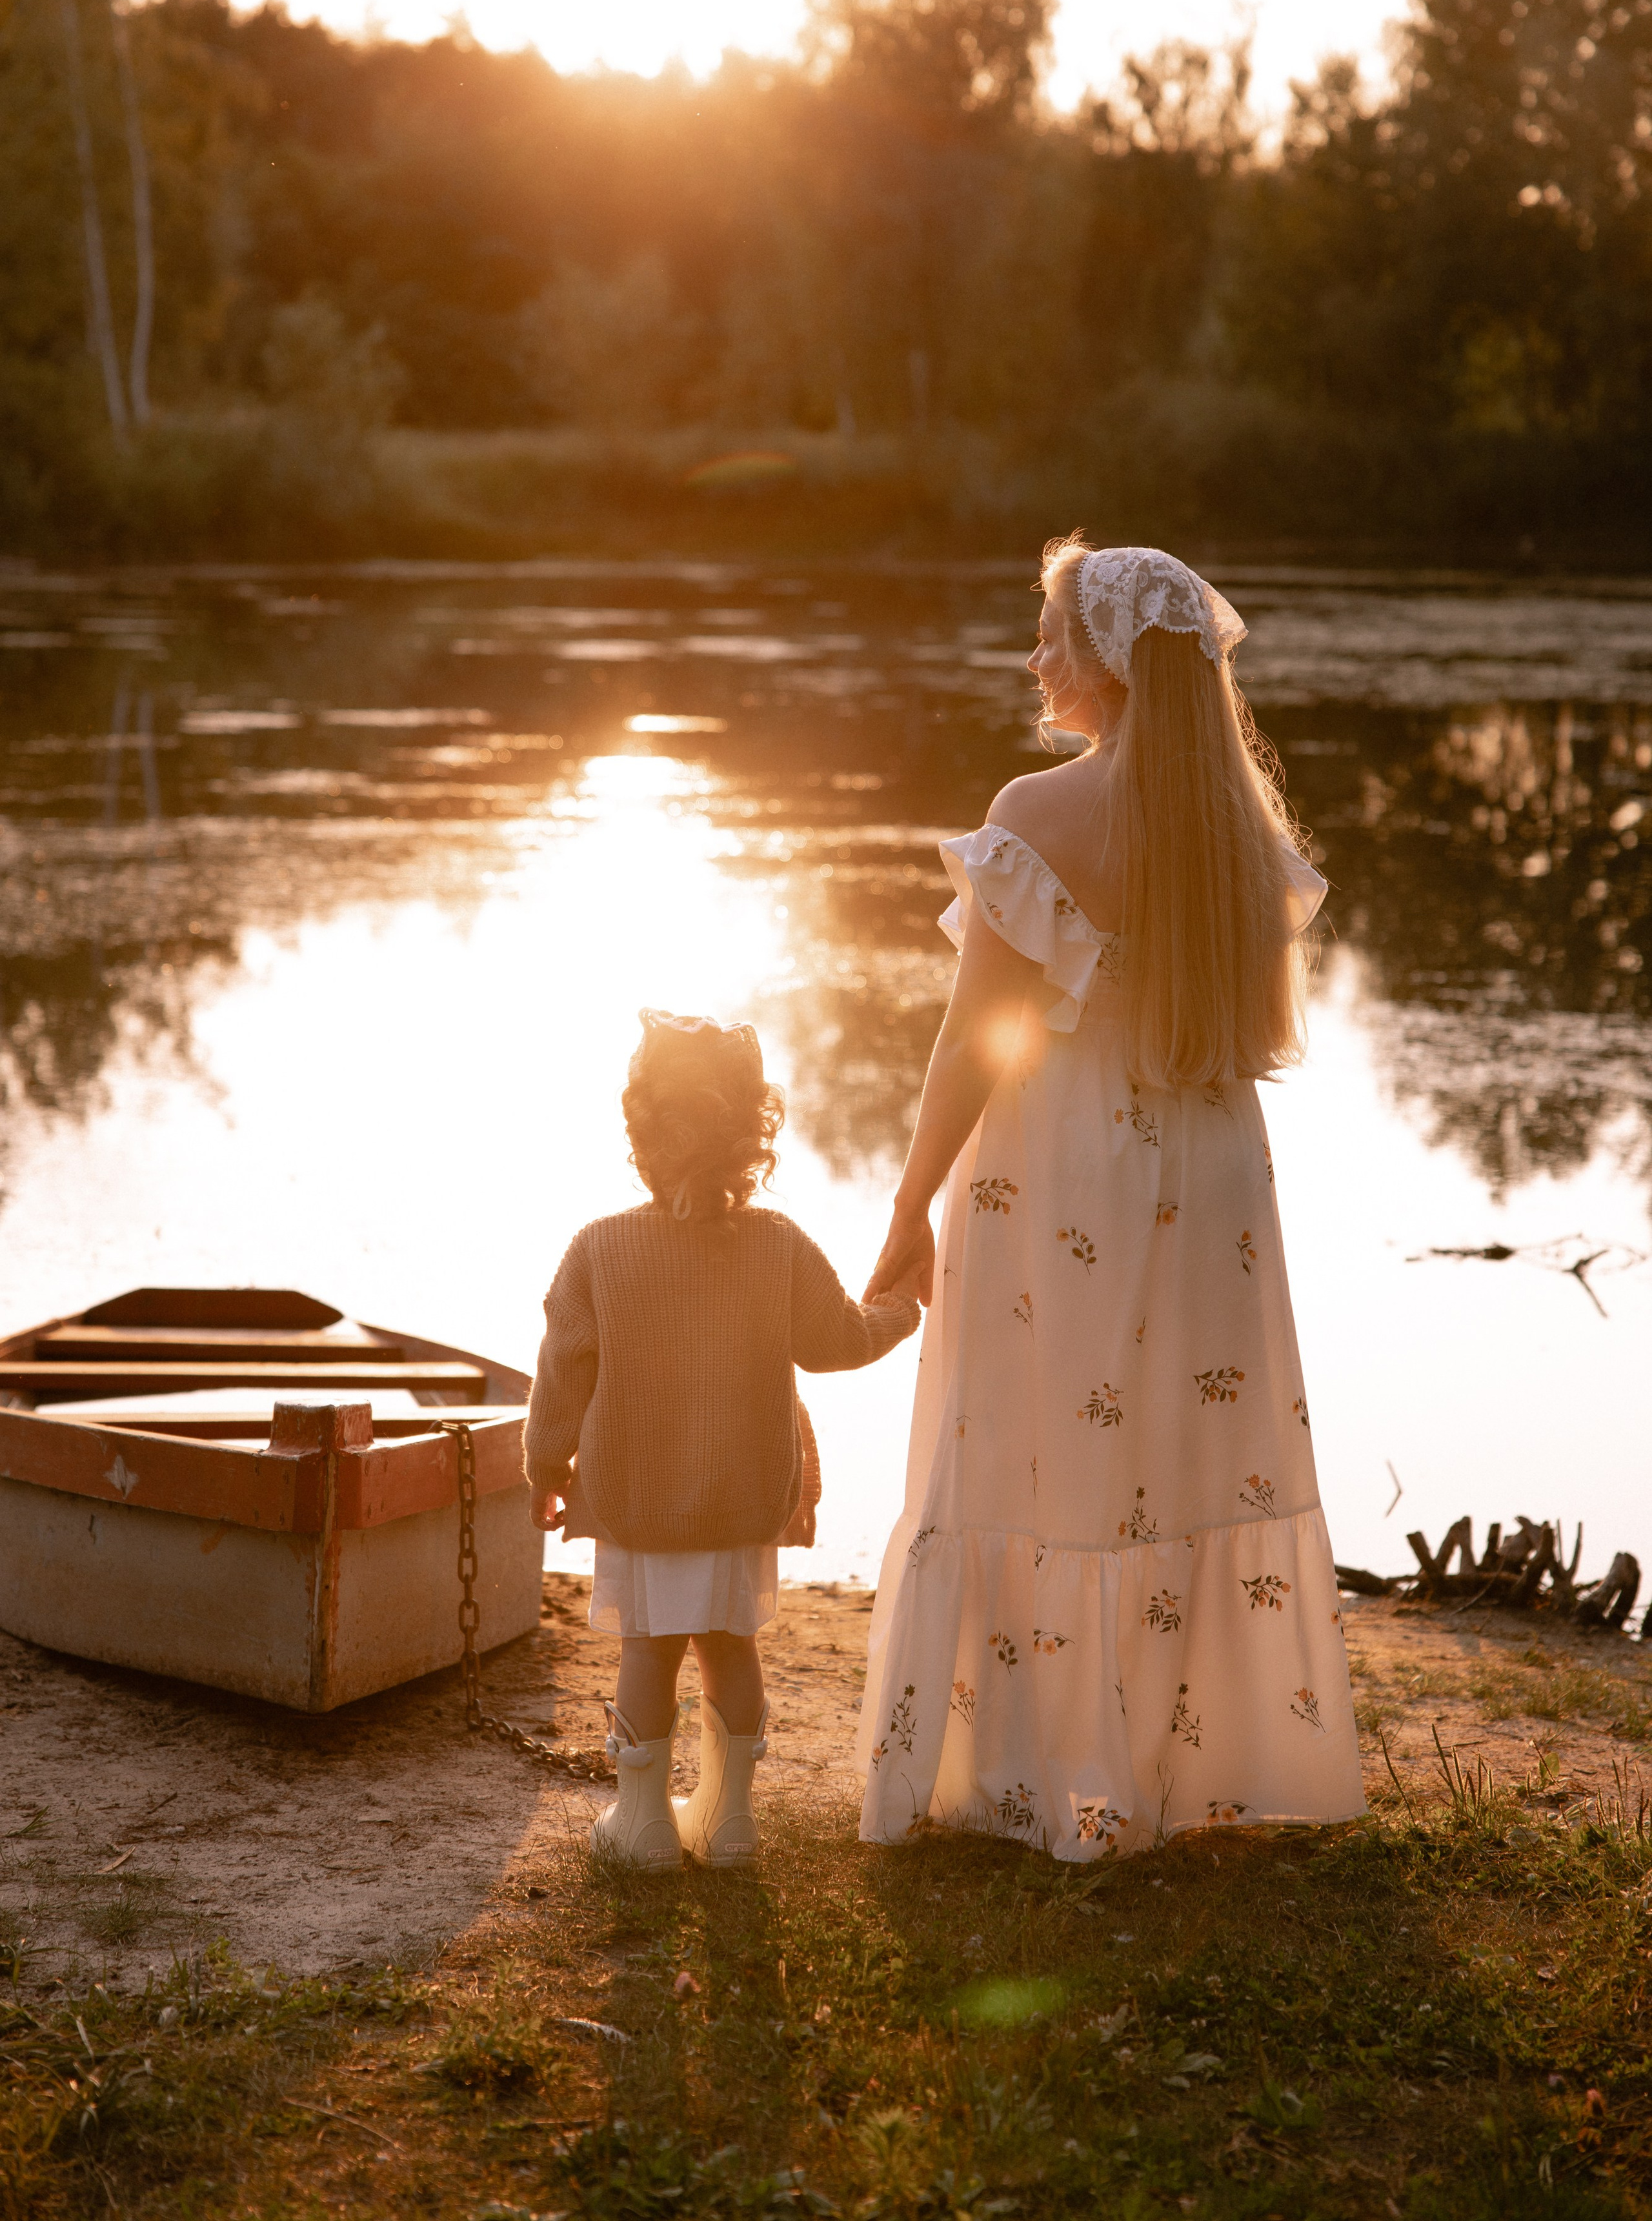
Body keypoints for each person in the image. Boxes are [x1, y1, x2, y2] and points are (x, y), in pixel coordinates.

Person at [857, 542, 1365, 1857]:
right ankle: (1171, 1760)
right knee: (1161, 1452)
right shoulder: (1239, 834)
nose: (1035, 661)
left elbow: (973, 1041)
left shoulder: (1034, 814)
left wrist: (908, 1202)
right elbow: (1249, 1034)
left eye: (1051, 637)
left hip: (1061, 1157)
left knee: (1042, 1440)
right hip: (1205, 1161)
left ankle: (1033, 1759)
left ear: (1111, 665)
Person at [523, 1010, 920, 1870]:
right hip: (742, 1498)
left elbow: (563, 1371)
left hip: (639, 1495)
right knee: (730, 1646)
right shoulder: (778, 1245)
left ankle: (645, 1824)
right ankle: (731, 1819)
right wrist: (900, 1311)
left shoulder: (598, 1248)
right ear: (753, 1133)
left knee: (650, 1649)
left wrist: (545, 1467)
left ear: (639, 1131)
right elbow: (838, 1339)